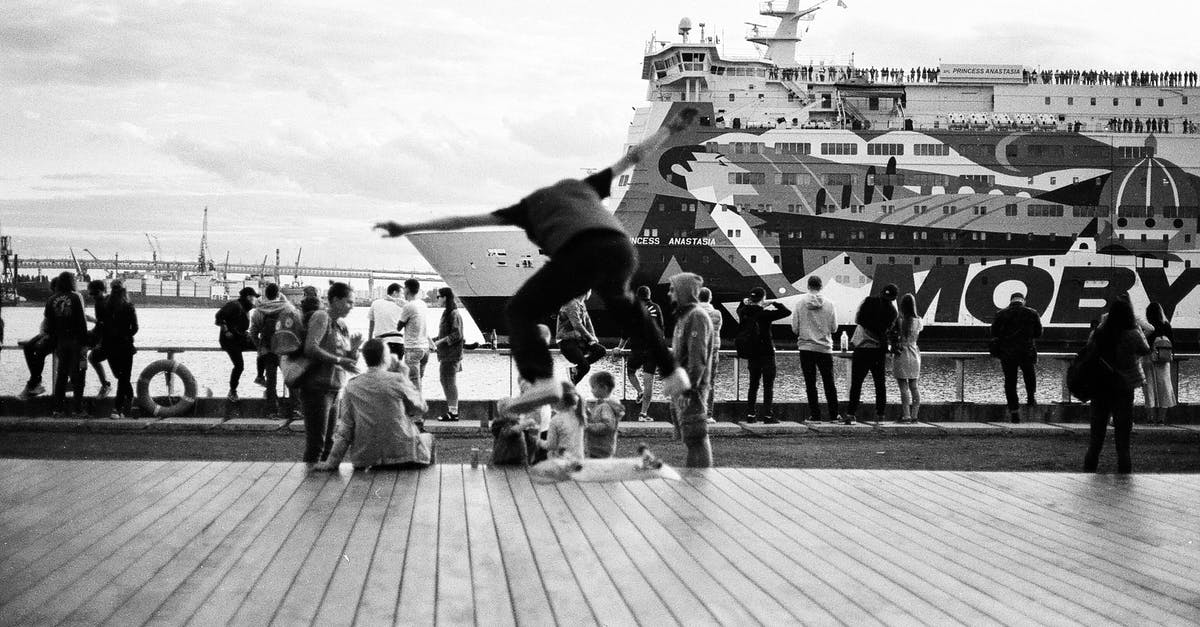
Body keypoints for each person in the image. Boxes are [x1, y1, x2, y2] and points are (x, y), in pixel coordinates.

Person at [374, 107, 698, 415]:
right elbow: (634, 157)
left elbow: (460, 220)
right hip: (621, 249)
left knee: (519, 310)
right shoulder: (585, 187)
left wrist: (406, 227)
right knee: (628, 307)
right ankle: (673, 374)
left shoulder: (527, 208)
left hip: (579, 250)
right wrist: (671, 129)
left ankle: (543, 382)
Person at [313, 339, 433, 471]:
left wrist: (331, 462)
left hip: (365, 458)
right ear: (385, 358)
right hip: (403, 454)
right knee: (429, 439)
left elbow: (345, 428)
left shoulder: (352, 385)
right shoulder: (397, 379)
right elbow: (421, 408)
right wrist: (405, 376)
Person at [299, 282, 363, 464]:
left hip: (334, 388)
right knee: (317, 444)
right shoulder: (321, 317)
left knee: (329, 443)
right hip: (317, 388)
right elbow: (310, 348)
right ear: (335, 300)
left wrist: (354, 351)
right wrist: (338, 360)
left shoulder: (342, 325)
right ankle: (310, 486)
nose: (352, 306)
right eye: (349, 302)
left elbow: (347, 361)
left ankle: (324, 487)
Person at [1083, 299, 1149, 474]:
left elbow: (1088, 350)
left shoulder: (1100, 332)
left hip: (1101, 386)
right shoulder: (1132, 332)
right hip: (1124, 387)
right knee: (1123, 438)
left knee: (1096, 437)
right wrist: (1135, 326)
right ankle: (1124, 474)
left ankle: (1089, 470)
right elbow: (1145, 349)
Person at [668, 272, 714, 468]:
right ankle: (691, 477)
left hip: (691, 390)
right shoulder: (684, 316)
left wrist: (689, 388)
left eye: (673, 290)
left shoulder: (696, 317)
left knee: (697, 438)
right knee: (689, 439)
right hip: (682, 387)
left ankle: (700, 479)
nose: (669, 294)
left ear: (684, 291)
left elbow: (698, 358)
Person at [846, 283, 898, 424]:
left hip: (862, 349)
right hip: (878, 351)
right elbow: (887, 331)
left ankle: (851, 414)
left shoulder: (868, 302)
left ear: (880, 292)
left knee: (856, 383)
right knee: (880, 384)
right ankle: (880, 414)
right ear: (894, 298)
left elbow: (858, 319)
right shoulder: (892, 312)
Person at [736, 287, 790, 423]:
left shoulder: (743, 312)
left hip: (752, 353)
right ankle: (767, 415)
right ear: (763, 298)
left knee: (753, 385)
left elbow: (740, 307)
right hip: (766, 352)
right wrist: (774, 303)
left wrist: (744, 302)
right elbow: (786, 312)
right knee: (768, 385)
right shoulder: (765, 314)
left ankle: (750, 415)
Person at [791, 275, 839, 422]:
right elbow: (834, 328)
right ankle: (834, 415)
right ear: (821, 286)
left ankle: (815, 415)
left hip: (806, 348)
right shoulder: (830, 304)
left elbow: (795, 328)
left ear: (808, 286)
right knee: (829, 382)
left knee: (810, 383)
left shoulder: (800, 304)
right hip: (824, 348)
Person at [991, 291, 1043, 423]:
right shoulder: (1032, 313)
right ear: (1023, 301)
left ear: (1011, 301)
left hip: (1008, 354)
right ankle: (1031, 397)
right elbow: (1038, 333)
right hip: (1027, 352)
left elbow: (994, 333)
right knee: (1029, 375)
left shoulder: (1001, 314)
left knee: (1010, 382)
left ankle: (1014, 412)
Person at [44, 272, 88, 416]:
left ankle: (58, 409)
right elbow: (82, 322)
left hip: (60, 343)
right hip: (76, 342)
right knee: (78, 376)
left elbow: (48, 327)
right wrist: (84, 343)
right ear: (72, 282)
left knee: (61, 376)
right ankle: (78, 409)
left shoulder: (51, 300)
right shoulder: (75, 297)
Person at [249, 283, 295, 417]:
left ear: (265, 294)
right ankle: (295, 409)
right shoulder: (287, 308)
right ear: (278, 293)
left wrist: (260, 346)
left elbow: (253, 332)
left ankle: (272, 410)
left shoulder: (259, 310)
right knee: (291, 379)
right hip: (285, 350)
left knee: (271, 381)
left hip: (268, 350)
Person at [623, 286, 663, 420]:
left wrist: (619, 347)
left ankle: (639, 391)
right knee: (649, 382)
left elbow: (626, 330)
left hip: (637, 349)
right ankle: (643, 413)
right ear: (649, 295)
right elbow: (661, 330)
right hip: (652, 350)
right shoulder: (656, 308)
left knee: (630, 371)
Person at [18, 276, 59, 400]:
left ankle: (34, 383)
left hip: (53, 335)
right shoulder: (52, 300)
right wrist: (41, 334)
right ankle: (35, 382)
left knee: (39, 351)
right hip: (46, 333)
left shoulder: (58, 300)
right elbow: (45, 321)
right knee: (28, 346)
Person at [215, 286, 259, 401]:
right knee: (239, 366)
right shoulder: (235, 305)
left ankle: (260, 376)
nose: (255, 300)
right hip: (230, 341)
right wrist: (226, 331)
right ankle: (232, 391)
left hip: (240, 338)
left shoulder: (245, 308)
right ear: (249, 297)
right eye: (254, 297)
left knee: (262, 347)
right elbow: (219, 316)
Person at [102, 280, 138, 419]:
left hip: (110, 346)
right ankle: (118, 408)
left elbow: (102, 326)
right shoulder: (129, 306)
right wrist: (126, 335)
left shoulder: (105, 306)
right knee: (124, 378)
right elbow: (135, 328)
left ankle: (128, 403)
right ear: (124, 291)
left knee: (120, 377)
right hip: (126, 346)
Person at [557, 291, 606, 385]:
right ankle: (572, 386)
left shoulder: (581, 304)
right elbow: (577, 325)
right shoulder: (571, 304)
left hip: (579, 339)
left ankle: (575, 370)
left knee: (600, 350)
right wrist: (590, 338)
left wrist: (593, 338)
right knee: (585, 367)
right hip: (566, 340)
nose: (590, 293)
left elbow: (588, 322)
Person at [433, 287, 464, 421]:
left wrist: (439, 342)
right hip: (445, 354)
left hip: (452, 354)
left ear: (445, 297)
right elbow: (445, 334)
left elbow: (457, 334)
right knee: (444, 380)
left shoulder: (454, 314)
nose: (437, 299)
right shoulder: (447, 313)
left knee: (450, 381)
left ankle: (454, 412)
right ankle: (451, 410)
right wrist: (434, 340)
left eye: (438, 296)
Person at [892, 293, 923, 423]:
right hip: (914, 353)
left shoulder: (899, 320)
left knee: (903, 387)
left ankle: (906, 414)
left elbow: (894, 336)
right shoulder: (919, 321)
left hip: (902, 354)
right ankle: (915, 415)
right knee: (914, 386)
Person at [1143, 302, 1175, 425]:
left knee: (1149, 388)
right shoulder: (1166, 326)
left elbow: (1143, 344)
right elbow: (1172, 343)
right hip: (1164, 361)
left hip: (1149, 360)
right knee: (1165, 388)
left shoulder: (1148, 327)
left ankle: (1150, 417)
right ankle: (1161, 419)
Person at [396, 278, 430, 393]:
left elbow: (399, 327)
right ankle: (419, 408)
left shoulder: (408, 307)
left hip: (413, 349)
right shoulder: (423, 304)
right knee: (418, 381)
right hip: (425, 348)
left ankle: (415, 409)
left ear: (407, 290)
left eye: (404, 288)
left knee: (412, 382)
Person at [696, 287, 723, 421]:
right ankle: (708, 414)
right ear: (710, 298)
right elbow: (718, 329)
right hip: (713, 351)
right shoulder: (717, 314)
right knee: (709, 383)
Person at [542, 382, 585, 460]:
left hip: (561, 462)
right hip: (578, 460)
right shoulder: (579, 415)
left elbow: (551, 446)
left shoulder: (556, 420)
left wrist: (539, 442)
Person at [84, 279, 112, 397]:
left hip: (101, 335)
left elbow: (105, 325)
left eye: (94, 293)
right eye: (90, 294)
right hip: (99, 333)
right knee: (82, 350)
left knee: (87, 354)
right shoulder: (105, 300)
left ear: (101, 291)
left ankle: (104, 384)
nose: (92, 296)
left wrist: (100, 342)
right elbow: (100, 322)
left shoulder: (101, 303)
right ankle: (104, 384)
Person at [585, 371, 623, 458]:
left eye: (593, 387)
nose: (591, 390)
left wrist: (588, 426)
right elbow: (598, 419)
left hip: (600, 448)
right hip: (602, 446)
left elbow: (607, 426)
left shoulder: (606, 407)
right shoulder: (603, 404)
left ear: (604, 388)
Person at [368, 282, 405, 358]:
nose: (403, 296)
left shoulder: (375, 303)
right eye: (402, 293)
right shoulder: (403, 305)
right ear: (395, 293)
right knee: (396, 369)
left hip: (380, 343)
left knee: (381, 369)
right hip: (398, 342)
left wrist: (370, 341)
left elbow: (371, 325)